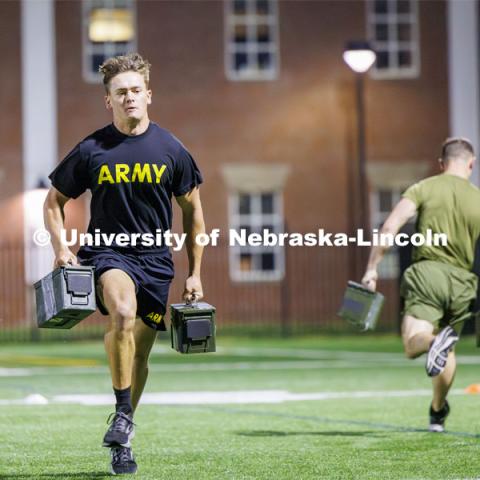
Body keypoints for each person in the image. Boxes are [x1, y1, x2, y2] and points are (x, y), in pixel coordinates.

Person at [43, 53, 205, 475]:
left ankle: (123, 433)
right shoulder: (92, 149)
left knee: (140, 356)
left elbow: (194, 216)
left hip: (155, 261)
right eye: (121, 92)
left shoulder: (172, 149)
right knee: (123, 314)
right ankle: (121, 411)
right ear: (108, 100)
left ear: (148, 95)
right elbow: (53, 203)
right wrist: (62, 249)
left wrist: (196, 273)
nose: (129, 98)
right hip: (108, 254)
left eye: (136, 91)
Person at [361, 137, 480, 433]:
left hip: (427, 275)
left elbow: (390, 226)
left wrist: (372, 268)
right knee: (446, 349)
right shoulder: (477, 197)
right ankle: (438, 411)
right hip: (464, 283)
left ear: (441, 163)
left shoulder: (424, 187)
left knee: (415, 343)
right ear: (471, 164)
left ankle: (431, 342)